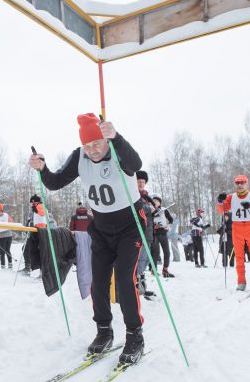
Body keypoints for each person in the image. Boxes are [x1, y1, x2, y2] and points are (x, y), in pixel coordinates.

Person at [29, 113, 145, 366]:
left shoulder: (117, 149)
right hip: (101, 229)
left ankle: (135, 334)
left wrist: (116, 137)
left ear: (105, 138)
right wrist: (43, 169)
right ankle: (104, 331)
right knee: (97, 282)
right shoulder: (79, 156)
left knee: (125, 280)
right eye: (87, 145)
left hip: (130, 227)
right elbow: (56, 182)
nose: (92, 150)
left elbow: (136, 163)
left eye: (97, 144)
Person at [217, 175, 250, 292]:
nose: (239, 185)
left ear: (246, 184)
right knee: (239, 257)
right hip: (237, 228)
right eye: (237, 183)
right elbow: (221, 211)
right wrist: (220, 201)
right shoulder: (231, 197)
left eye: (242, 183)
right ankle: (241, 282)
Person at [135, 170, 156, 299]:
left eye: (143, 182)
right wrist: (150, 209)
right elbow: (137, 209)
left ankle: (142, 286)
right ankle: (136, 286)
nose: (141, 184)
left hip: (149, 233)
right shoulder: (134, 195)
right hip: (139, 232)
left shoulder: (146, 197)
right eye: (139, 182)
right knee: (140, 259)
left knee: (146, 259)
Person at [69, 201, 93, 298]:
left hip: (78, 242)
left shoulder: (74, 217)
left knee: (82, 265)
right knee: (91, 264)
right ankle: (93, 287)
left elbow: (71, 230)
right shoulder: (90, 217)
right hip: (90, 241)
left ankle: (85, 290)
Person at [21, 195, 47, 274]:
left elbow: (43, 213)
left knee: (39, 251)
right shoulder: (36, 208)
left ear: (34, 202)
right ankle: (28, 267)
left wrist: (36, 209)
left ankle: (41, 272)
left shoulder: (40, 206)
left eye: (31, 203)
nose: (30, 205)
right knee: (26, 249)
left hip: (40, 232)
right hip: (36, 231)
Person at [151, 196, 174, 277]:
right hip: (154, 234)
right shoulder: (150, 210)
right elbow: (147, 222)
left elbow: (171, 220)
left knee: (167, 252)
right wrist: (154, 225)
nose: (155, 202)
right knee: (156, 253)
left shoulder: (164, 210)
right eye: (153, 201)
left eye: (157, 201)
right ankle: (154, 270)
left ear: (160, 202)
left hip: (163, 234)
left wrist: (168, 225)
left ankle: (165, 269)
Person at [0, 202, 14, 269]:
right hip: (1, 236)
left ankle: (10, 264)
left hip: (8, 235)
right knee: (2, 251)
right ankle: (3, 265)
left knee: (7, 250)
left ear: (2, 211)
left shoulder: (6, 215)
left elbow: (11, 221)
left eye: (0, 211)